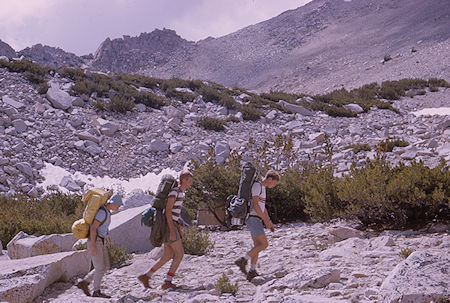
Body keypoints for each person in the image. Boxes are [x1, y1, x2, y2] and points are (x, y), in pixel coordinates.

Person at [138, 171, 194, 290]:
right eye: (189, 181)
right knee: (179, 254)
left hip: (171, 225)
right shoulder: (175, 192)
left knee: (168, 255)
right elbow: (168, 211)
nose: (191, 183)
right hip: (169, 226)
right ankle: (167, 282)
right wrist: (172, 230)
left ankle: (146, 276)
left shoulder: (180, 193)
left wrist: (177, 229)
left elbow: (174, 214)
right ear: (183, 180)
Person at [235, 170, 280, 281]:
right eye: (274, 183)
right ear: (270, 179)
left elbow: (262, 207)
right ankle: (242, 260)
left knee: (257, 245)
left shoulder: (262, 188)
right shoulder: (257, 186)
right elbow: (255, 204)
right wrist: (265, 219)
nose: (273, 186)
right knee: (264, 244)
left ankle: (252, 271)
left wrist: (268, 221)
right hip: (253, 218)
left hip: (256, 218)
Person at [76, 192, 123, 298]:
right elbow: (93, 228)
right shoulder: (102, 213)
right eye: (118, 205)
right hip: (95, 241)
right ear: (112, 203)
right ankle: (96, 291)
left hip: (100, 241)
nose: (118, 207)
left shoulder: (106, 211)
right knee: (100, 267)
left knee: (105, 265)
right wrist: (93, 246)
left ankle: (84, 282)